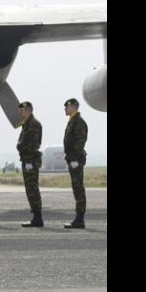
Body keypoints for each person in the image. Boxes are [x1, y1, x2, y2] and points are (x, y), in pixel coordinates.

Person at [17, 101, 44, 227]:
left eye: (22, 110)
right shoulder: (27, 124)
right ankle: (36, 217)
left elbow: (32, 144)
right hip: (28, 160)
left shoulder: (34, 124)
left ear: (28, 110)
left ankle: (38, 218)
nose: (20, 112)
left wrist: (28, 161)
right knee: (30, 189)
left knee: (32, 189)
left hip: (31, 161)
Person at [63, 98, 88, 229]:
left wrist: (74, 159)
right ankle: (79, 218)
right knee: (76, 188)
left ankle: (80, 219)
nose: (65, 109)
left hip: (76, 160)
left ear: (73, 107)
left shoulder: (78, 122)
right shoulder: (72, 121)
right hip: (73, 159)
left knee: (79, 189)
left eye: (67, 106)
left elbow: (80, 141)